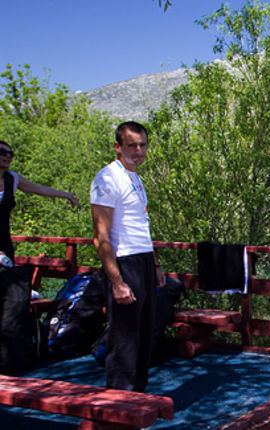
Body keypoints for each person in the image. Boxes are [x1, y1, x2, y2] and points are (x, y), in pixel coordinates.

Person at [90, 121, 165, 391]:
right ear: (117, 146)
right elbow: (101, 236)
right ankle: (118, 407)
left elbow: (141, 224)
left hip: (143, 259)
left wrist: (155, 264)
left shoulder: (136, 177)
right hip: (124, 262)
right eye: (131, 145)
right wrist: (117, 281)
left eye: (143, 145)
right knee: (125, 339)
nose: (138, 150)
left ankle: (138, 402)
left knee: (145, 335)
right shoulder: (107, 178)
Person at [0, 140, 79, 263]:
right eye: (2, 152)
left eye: (11, 154)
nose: (7, 156)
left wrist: (67, 195)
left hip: (4, 243)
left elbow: (40, 189)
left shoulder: (12, 179)